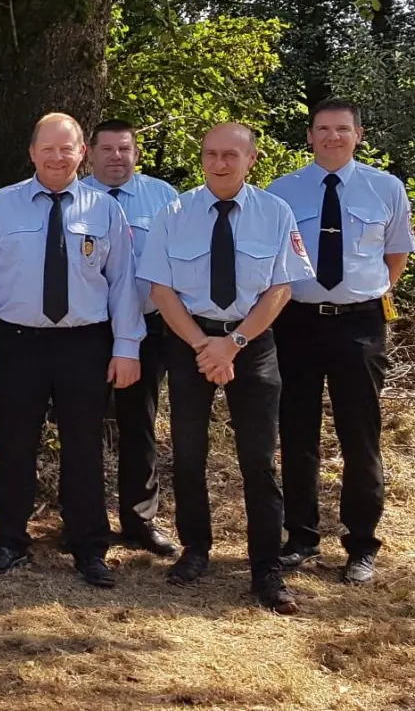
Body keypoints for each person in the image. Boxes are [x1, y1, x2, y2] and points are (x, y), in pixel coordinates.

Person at [0, 112, 143, 588]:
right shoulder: (3, 205)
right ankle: (11, 541)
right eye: (48, 148)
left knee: (83, 449)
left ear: (82, 152)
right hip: (20, 342)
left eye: (67, 148)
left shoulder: (105, 209)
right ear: (32, 153)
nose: (57, 157)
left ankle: (88, 547)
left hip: (85, 343)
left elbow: (123, 284)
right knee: (17, 445)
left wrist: (127, 347)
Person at [139, 123, 313, 612]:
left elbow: (281, 288)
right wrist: (202, 346)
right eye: (211, 154)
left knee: (259, 459)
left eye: (231, 155)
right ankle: (196, 551)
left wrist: (232, 344)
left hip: (250, 342)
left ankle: (266, 569)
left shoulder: (275, 213)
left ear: (251, 159)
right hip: (189, 340)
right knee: (189, 454)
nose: (220, 163)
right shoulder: (174, 212)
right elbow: (160, 289)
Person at [268, 98, 415, 585]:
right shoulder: (281, 192)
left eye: (342, 129)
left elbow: (395, 256)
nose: (332, 137)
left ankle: (361, 545)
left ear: (359, 134)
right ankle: (301, 538)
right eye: (323, 129)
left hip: (360, 325)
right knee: (297, 432)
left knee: (360, 435)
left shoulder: (385, 188)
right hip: (297, 323)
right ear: (309, 135)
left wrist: (363, 295)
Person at [82, 120, 181, 557]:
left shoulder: (164, 198)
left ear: (136, 153)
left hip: (147, 327)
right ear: (89, 153)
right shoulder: (75, 198)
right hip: (86, 330)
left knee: (138, 424)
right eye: (107, 149)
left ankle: (140, 520)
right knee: (80, 424)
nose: (116, 157)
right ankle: (83, 521)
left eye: (125, 149)